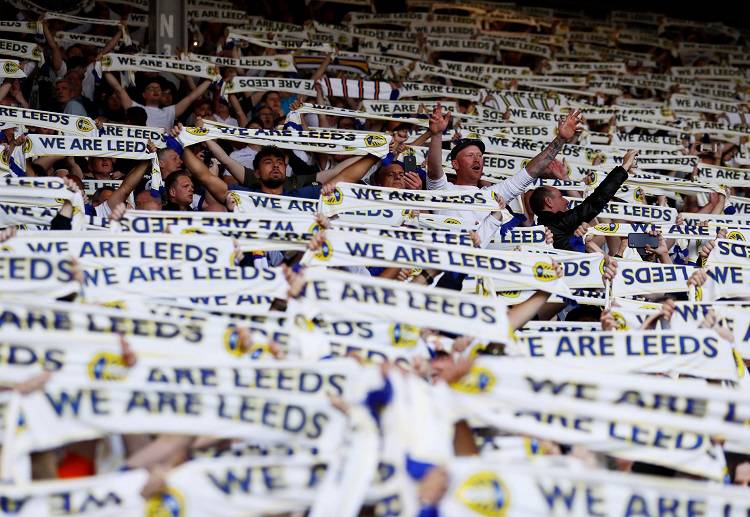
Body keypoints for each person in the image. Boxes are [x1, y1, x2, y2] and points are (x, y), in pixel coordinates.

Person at [529, 150, 638, 250]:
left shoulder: (545, 226)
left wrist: (565, 178)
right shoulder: (557, 222)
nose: (566, 201)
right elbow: (595, 201)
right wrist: (624, 167)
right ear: (549, 202)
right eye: (560, 197)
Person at [104, 73, 212, 130]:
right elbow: (118, 88)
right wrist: (104, 67)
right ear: (144, 95)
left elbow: (192, 97)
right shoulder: (135, 108)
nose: (155, 90)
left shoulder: (170, 111)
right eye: (151, 88)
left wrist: (210, 78)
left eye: (158, 89)